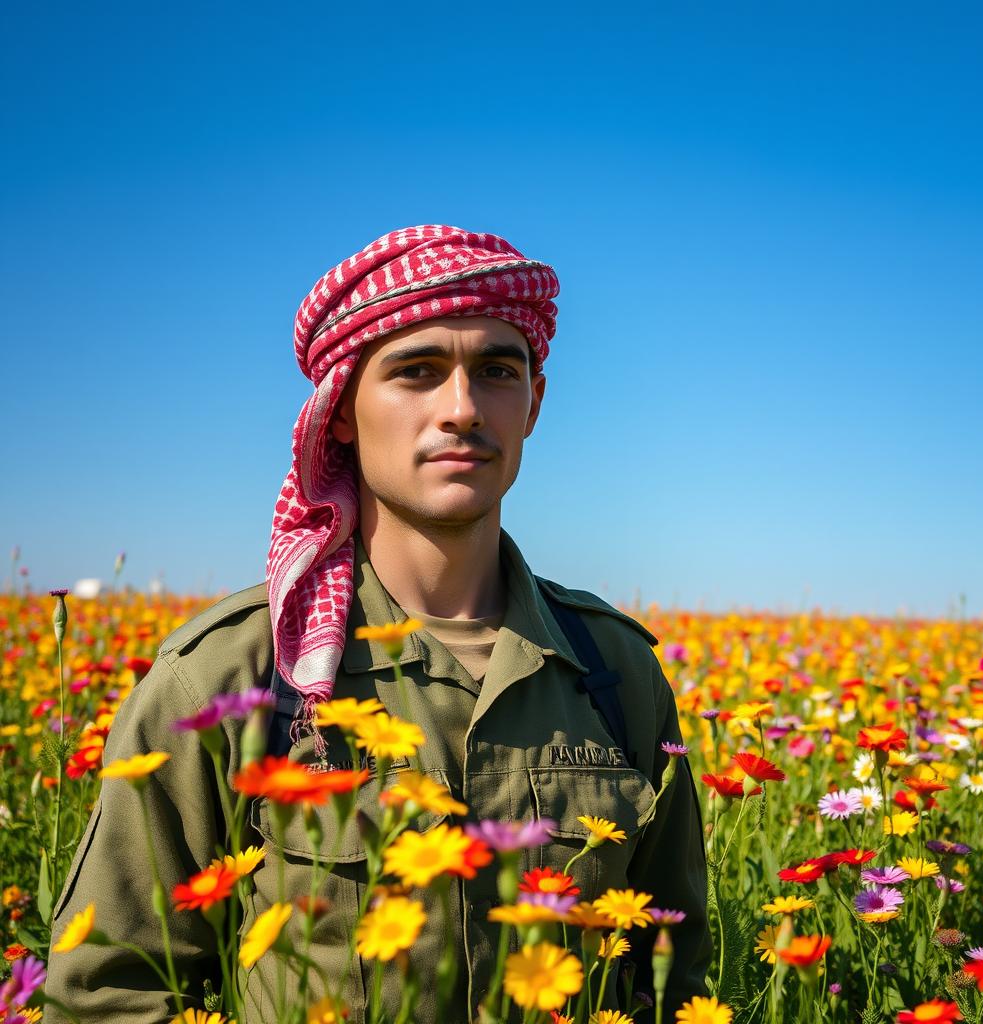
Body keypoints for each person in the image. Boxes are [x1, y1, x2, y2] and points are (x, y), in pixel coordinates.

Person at [44, 225, 712, 1023]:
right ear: (342, 415)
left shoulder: (614, 669)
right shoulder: (234, 676)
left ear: (534, 405)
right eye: (417, 372)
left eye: (498, 371)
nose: (462, 409)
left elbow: (675, 977)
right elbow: (108, 994)